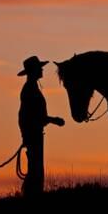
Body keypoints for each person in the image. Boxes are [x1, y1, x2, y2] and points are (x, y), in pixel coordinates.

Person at [17, 56, 65, 197]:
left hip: (33, 133)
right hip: (33, 133)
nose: (42, 69)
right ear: (34, 71)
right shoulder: (30, 90)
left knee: (35, 167)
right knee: (36, 169)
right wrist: (54, 120)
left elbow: (26, 116)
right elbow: (32, 116)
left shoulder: (30, 88)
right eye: (39, 68)